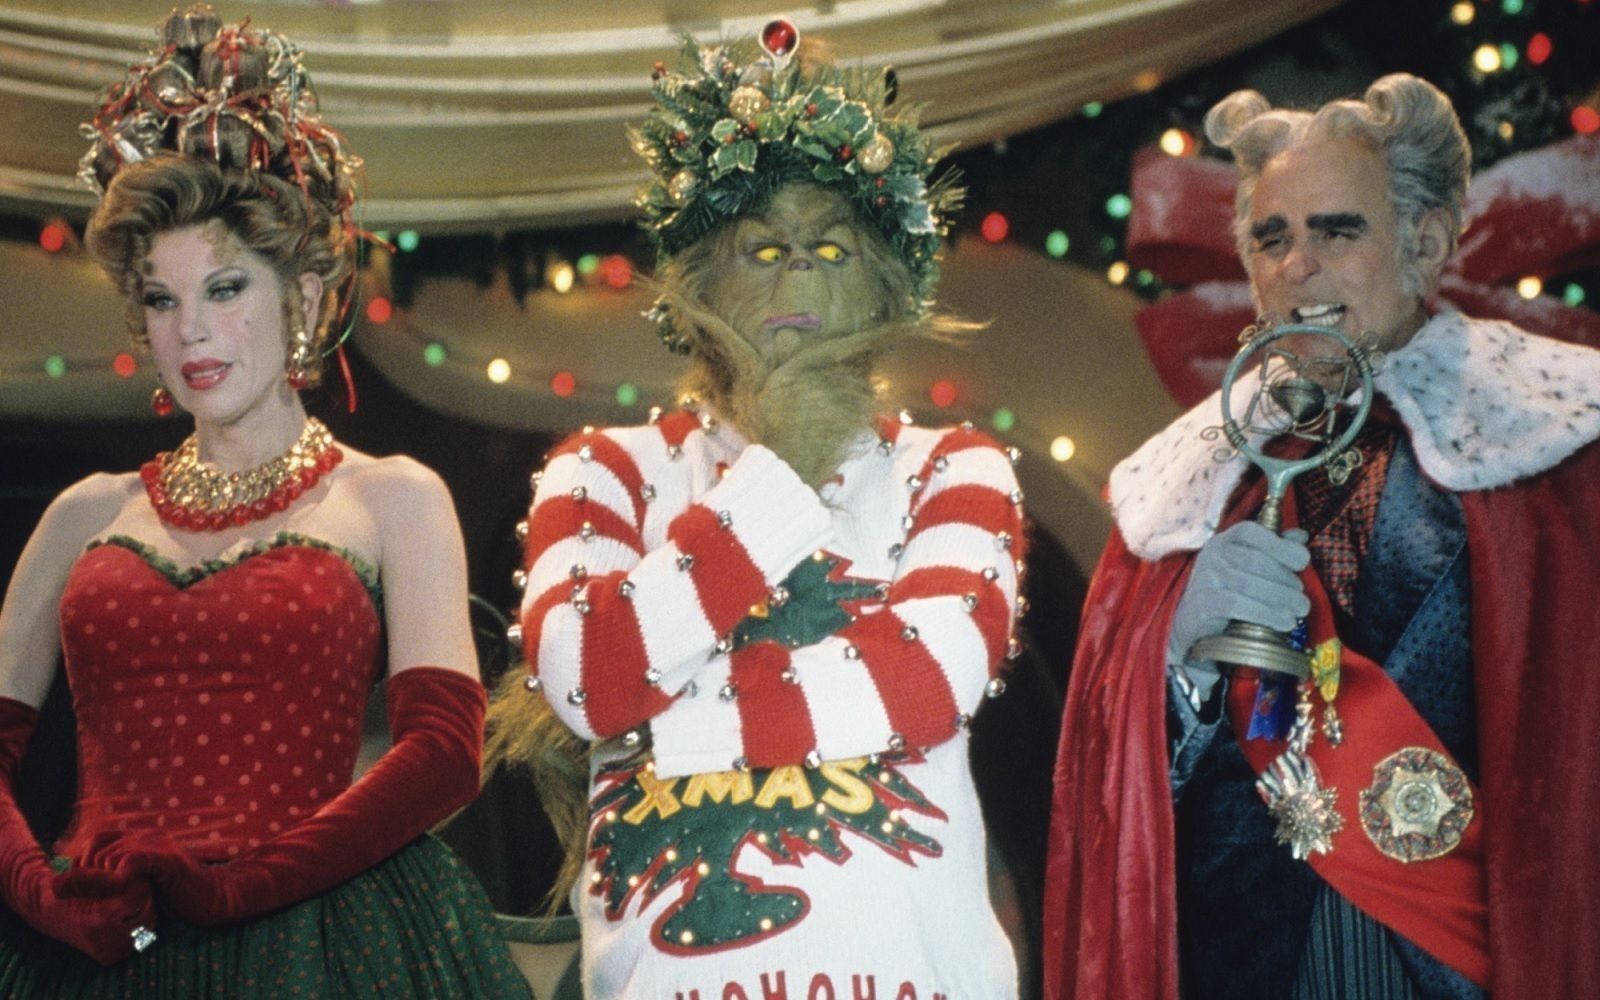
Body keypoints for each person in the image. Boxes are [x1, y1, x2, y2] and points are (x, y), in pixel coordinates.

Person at [489, 23, 1027, 1000]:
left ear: (885, 284)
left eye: (831, 247)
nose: (798, 275)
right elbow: (585, 676)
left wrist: (666, 723)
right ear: (696, 280)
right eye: (764, 248)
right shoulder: (605, 468)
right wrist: (785, 468)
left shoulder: (952, 464)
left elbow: (927, 679)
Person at [0, 7, 531, 995]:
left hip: (320, 939)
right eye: (162, 299)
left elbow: (445, 754)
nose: (192, 332)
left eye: (225, 288)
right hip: (97, 945)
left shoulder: (391, 496)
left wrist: (243, 886)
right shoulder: (85, 512)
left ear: (304, 298)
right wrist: (40, 892)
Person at [1042, 73, 1600, 1000]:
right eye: (1272, 237)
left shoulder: (1559, 446)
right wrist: (1176, 659)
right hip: (1244, 960)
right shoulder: (1185, 483)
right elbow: (1114, 789)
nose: (1298, 264)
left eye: (1337, 231)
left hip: (1472, 964)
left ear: (1425, 242)